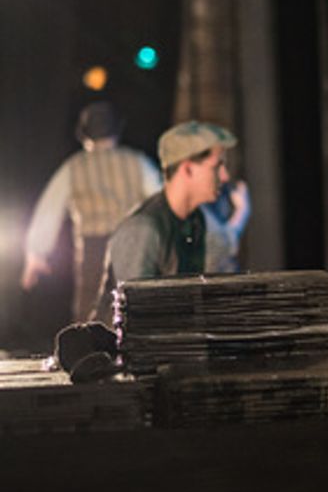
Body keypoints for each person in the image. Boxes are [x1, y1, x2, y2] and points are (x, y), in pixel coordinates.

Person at [20, 101, 162, 321]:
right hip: (132, 243)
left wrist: (36, 253)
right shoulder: (136, 162)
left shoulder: (74, 167)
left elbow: (50, 208)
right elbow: (159, 199)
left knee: (91, 309)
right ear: (116, 131)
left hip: (92, 249)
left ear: (84, 135)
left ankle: (90, 352)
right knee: (133, 305)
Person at [92, 121, 237, 324]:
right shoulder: (143, 229)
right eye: (217, 166)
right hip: (121, 353)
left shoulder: (196, 221)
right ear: (187, 169)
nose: (225, 176)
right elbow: (134, 321)